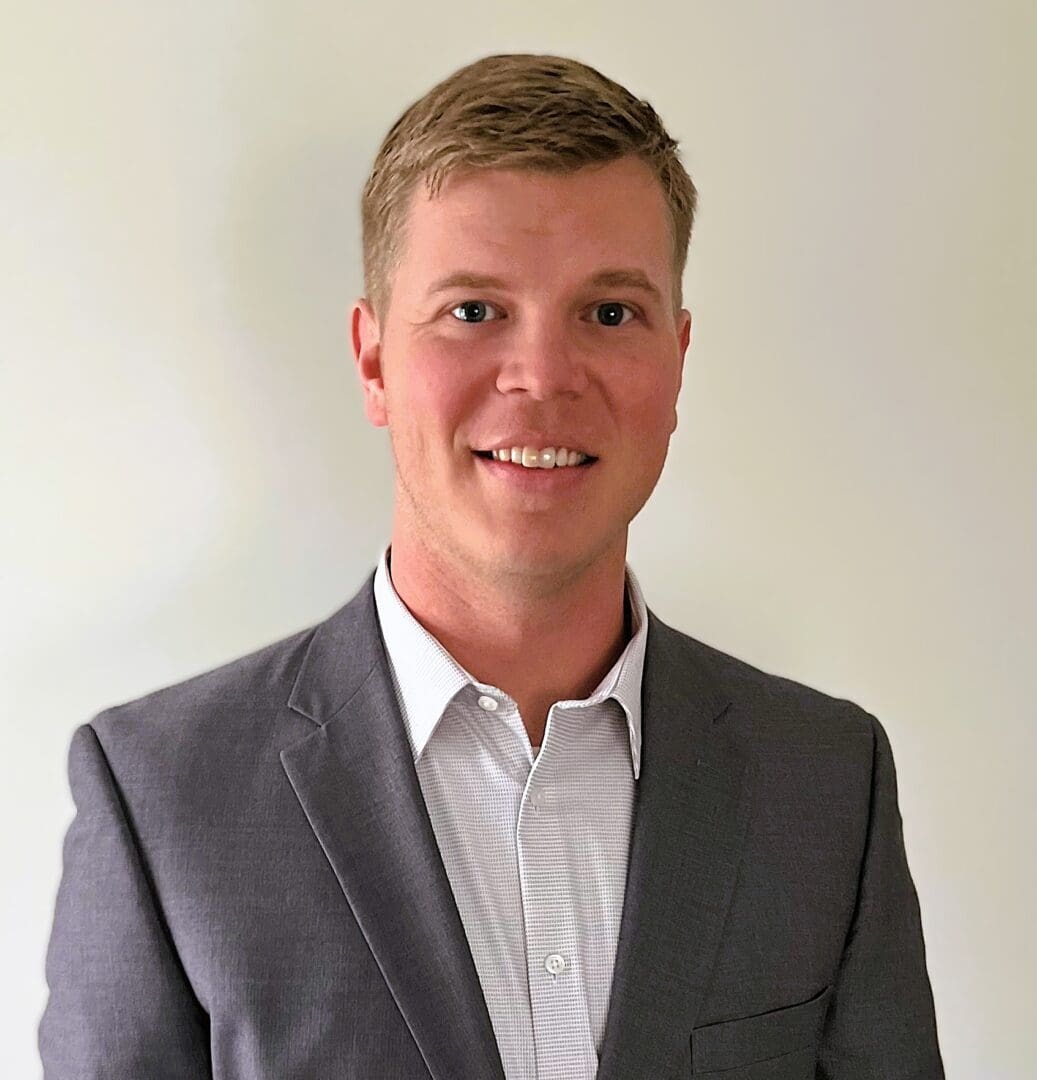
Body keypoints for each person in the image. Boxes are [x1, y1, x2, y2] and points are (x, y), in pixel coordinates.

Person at [39, 53, 944, 1079]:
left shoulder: (825, 781)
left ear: (677, 359)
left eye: (608, 314)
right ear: (373, 358)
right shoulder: (161, 795)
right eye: (473, 311)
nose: (543, 378)